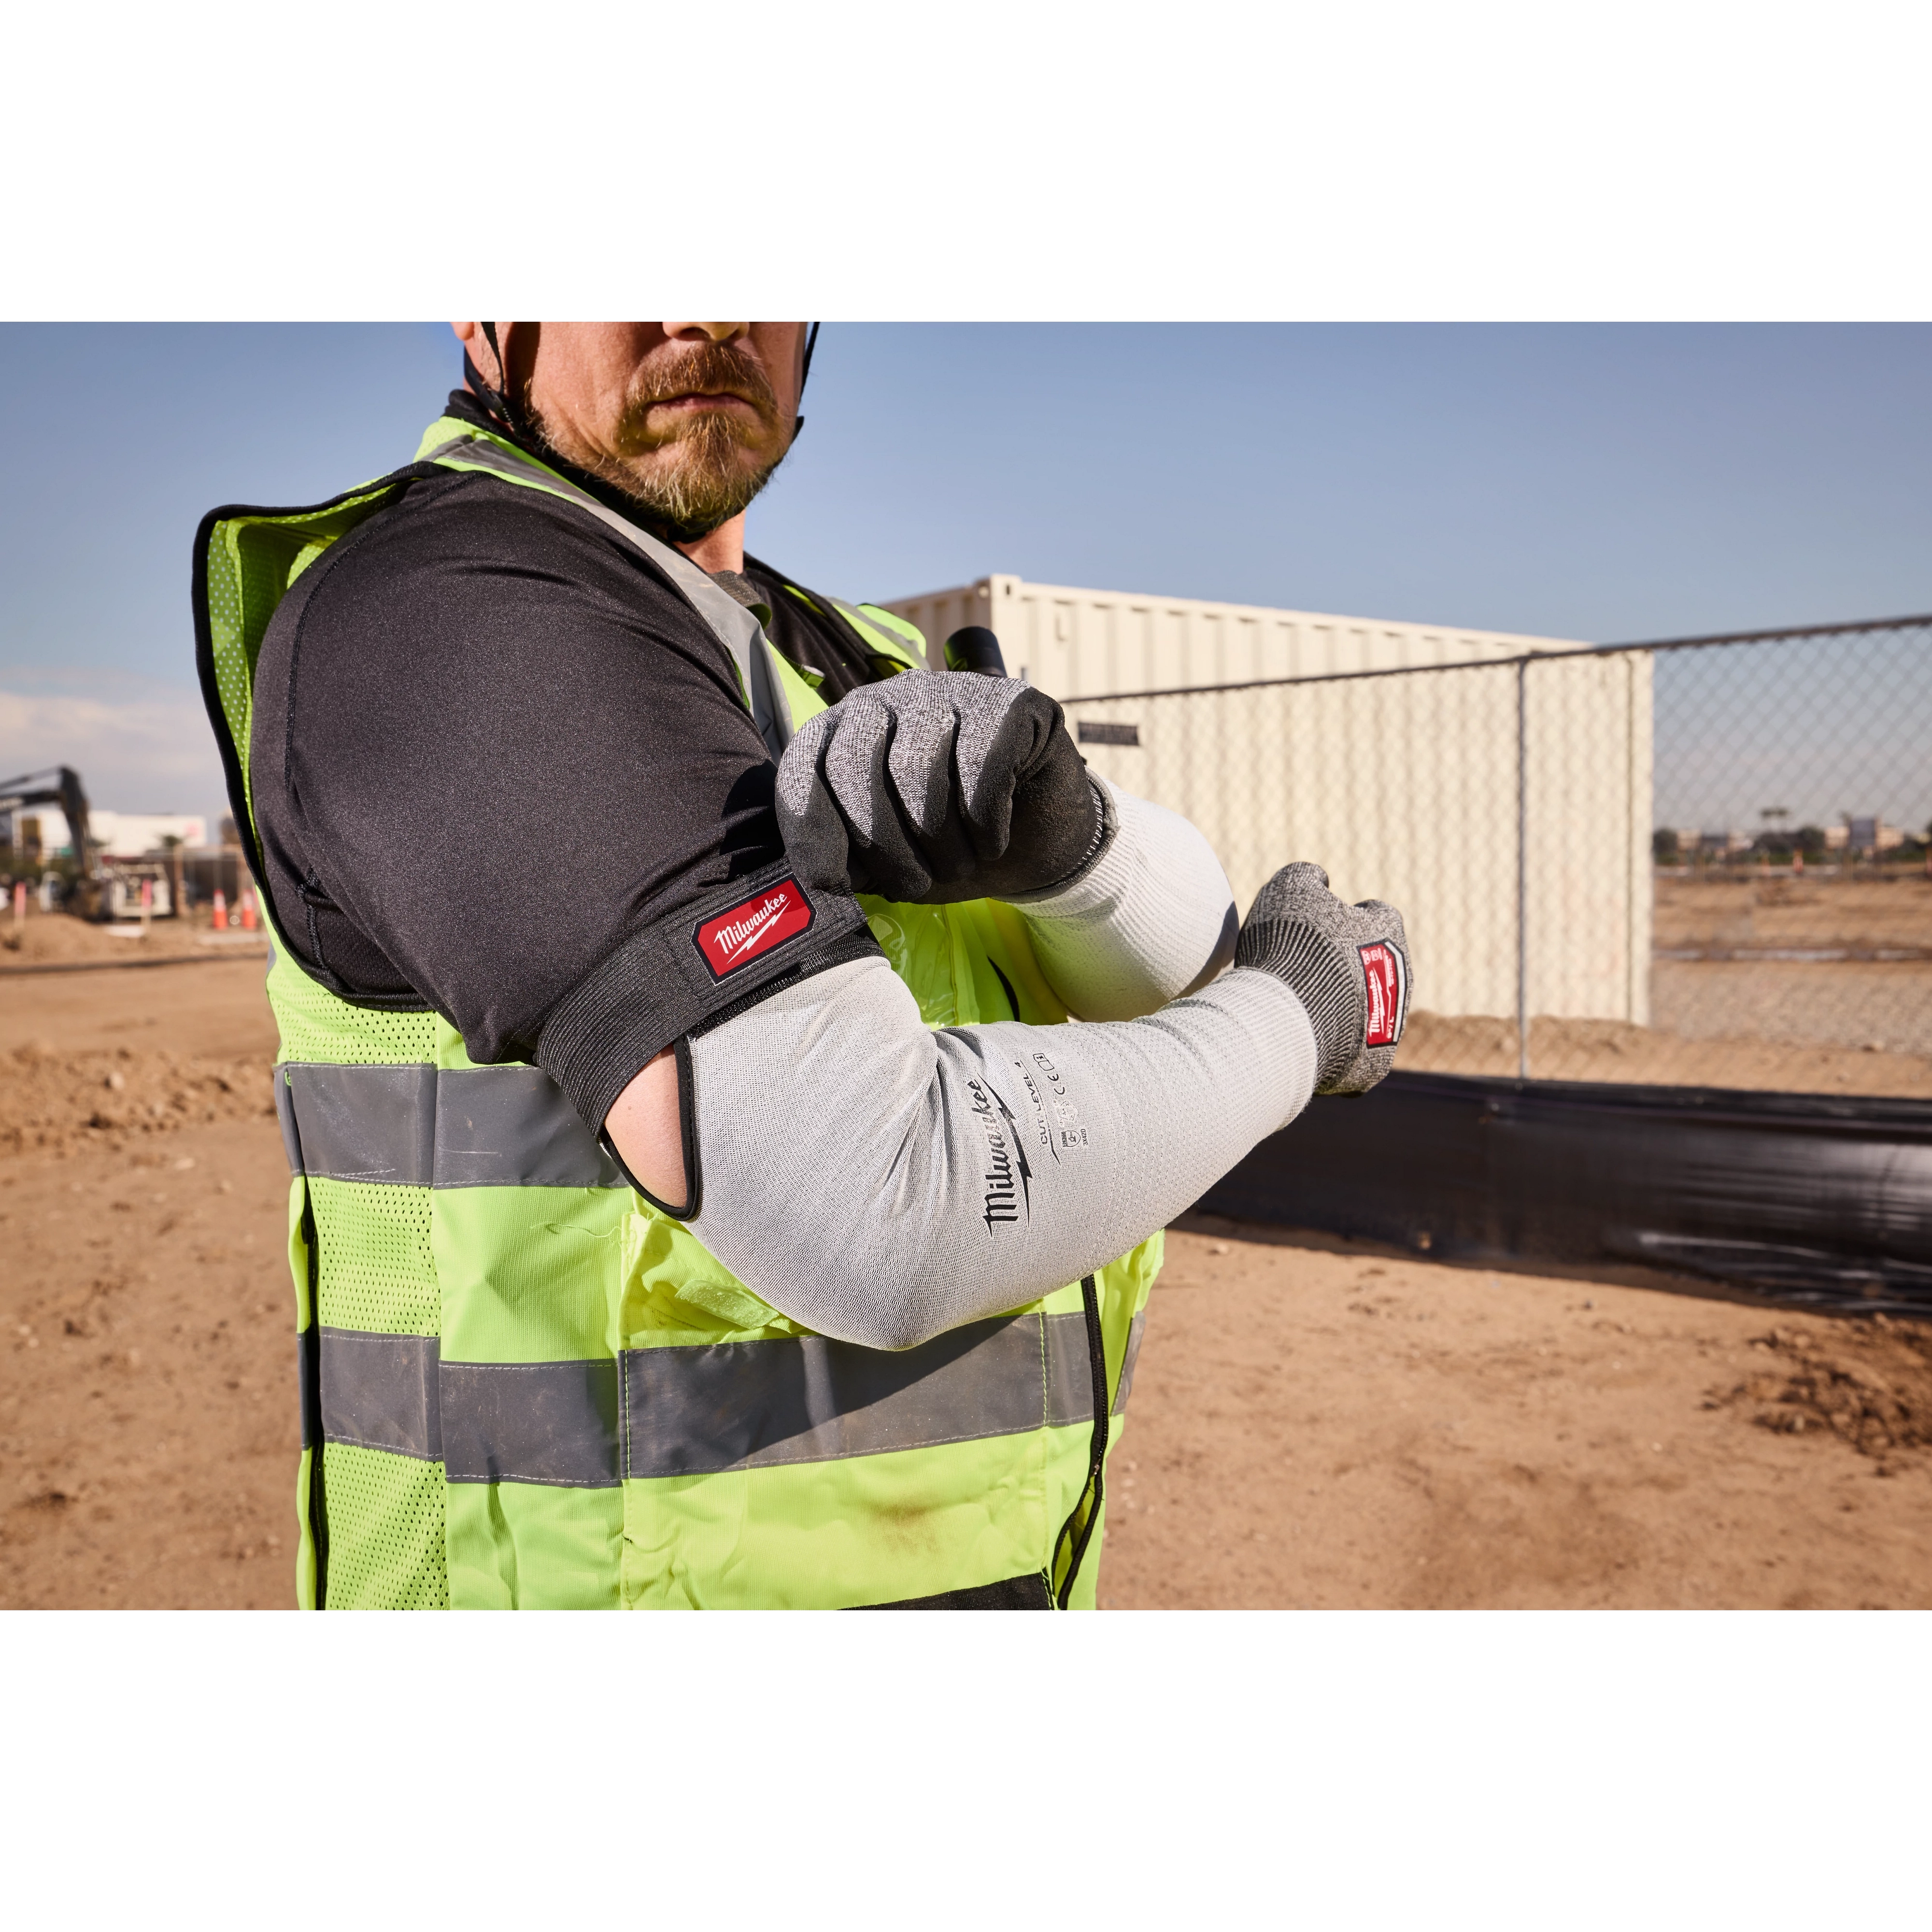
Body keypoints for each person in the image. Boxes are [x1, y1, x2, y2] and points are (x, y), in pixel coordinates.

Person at [193, 320, 1412, 1611]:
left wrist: (1081, 860)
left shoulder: (853, 656)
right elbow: (871, 1213)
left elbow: (1169, 999)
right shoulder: (453, 613)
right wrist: (1297, 1018)